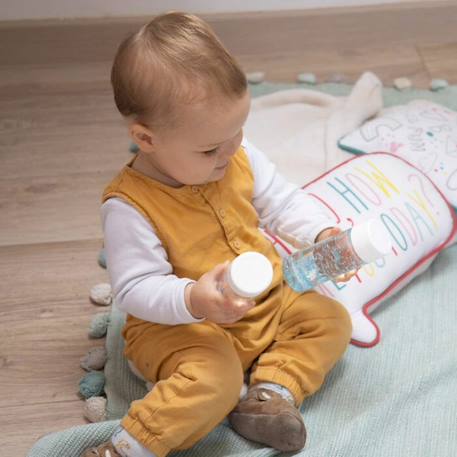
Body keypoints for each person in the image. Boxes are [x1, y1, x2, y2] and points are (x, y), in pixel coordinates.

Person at [83, 11, 352, 457]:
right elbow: (134, 289)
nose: (231, 150)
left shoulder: (236, 152)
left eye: (237, 131)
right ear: (146, 139)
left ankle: (269, 396)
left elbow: (282, 202)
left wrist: (318, 230)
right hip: (184, 325)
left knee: (328, 318)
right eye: (210, 148)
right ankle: (129, 447)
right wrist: (193, 299)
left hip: (263, 299)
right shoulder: (129, 206)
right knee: (215, 380)